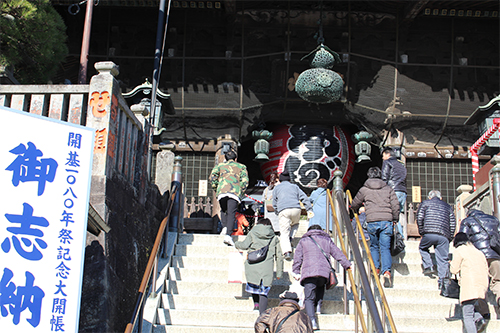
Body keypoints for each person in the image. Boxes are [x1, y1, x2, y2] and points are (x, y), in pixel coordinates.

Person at [292, 224, 351, 330]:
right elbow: (337, 253)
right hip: (324, 272)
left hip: (309, 272)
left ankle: (312, 320)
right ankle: (318, 307)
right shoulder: (327, 240)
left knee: (309, 297)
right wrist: (346, 264)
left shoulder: (304, 241)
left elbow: (298, 257)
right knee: (320, 286)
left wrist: (296, 270)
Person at [351, 166, 399, 288]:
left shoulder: (364, 189)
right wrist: (395, 218)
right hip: (386, 221)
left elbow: (355, 203)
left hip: (372, 220)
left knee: (374, 246)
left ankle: (375, 269)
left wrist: (356, 209)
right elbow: (395, 204)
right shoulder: (388, 188)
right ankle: (387, 271)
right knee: (385, 247)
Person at [234, 218, 284, 314]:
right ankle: (262, 313)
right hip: (267, 267)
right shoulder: (274, 238)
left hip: (253, 264)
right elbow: (279, 257)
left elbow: (244, 245)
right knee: (264, 291)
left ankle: (256, 304)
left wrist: (236, 243)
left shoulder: (253, 233)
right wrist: (279, 272)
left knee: (253, 283)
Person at [459, 209, 500, 308]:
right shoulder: (494, 219)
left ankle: (484, 313)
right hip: (495, 254)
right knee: (497, 280)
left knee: (479, 283)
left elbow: (462, 239)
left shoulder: (467, 221)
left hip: (478, 256)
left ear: (468, 214)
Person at [416, 190, 456, 289]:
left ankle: (428, 265)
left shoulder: (425, 204)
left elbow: (420, 218)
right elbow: (452, 223)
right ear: (440, 197)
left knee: (423, 248)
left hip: (429, 233)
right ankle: (443, 282)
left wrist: (422, 232)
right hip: (443, 235)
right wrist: (449, 237)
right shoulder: (447, 206)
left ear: (429, 197)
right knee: (443, 258)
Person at [450, 232, 489, 333]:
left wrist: (450, 264)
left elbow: (454, 270)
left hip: (469, 285)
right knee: (472, 309)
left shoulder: (459, 251)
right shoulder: (479, 252)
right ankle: (480, 319)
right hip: (482, 285)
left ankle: (477, 324)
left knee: (467, 315)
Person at [272, 170, 313, 261]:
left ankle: (287, 252)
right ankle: (291, 237)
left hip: (284, 210)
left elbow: (274, 202)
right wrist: (309, 209)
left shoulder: (277, 188)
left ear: (281, 180)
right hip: (296, 209)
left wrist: (277, 211)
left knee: (284, 231)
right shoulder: (294, 187)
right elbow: (304, 198)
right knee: (295, 224)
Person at [209, 150, 248, 246]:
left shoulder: (219, 166)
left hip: (222, 192)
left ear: (225, 158)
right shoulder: (241, 167)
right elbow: (245, 181)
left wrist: (216, 188)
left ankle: (225, 227)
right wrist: (241, 192)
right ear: (236, 159)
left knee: (223, 210)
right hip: (234, 192)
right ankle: (228, 235)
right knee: (231, 213)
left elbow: (212, 178)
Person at [381, 147, 407, 213]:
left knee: (390, 214)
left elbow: (384, 177)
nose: (382, 158)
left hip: (393, 191)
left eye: (383, 155)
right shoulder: (401, 165)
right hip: (402, 191)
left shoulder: (387, 162)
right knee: (398, 215)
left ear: (388, 154)